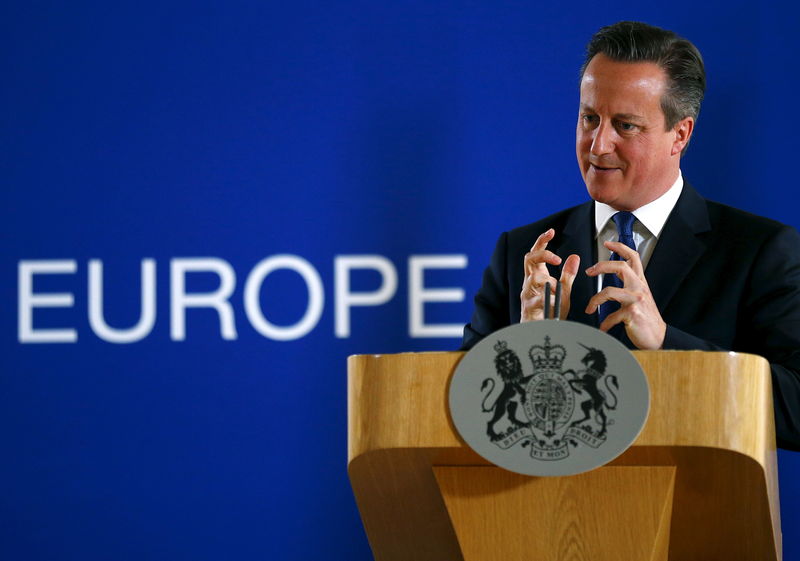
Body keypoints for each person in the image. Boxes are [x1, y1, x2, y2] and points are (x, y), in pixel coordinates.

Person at [460, 21, 800, 450]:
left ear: (680, 134)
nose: (598, 145)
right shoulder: (524, 251)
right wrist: (528, 342)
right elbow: (467, 413)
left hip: (695, 509)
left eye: (625, 125)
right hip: (545, 510)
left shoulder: (758, 250)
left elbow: (797, 409)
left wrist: (664, 341)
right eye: (589, 118)